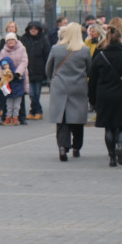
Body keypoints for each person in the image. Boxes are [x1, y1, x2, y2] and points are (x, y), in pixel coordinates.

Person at [45, 22, 92, 161]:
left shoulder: (56, 48)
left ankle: (62, 147)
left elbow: (48, 68)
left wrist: (54, 79)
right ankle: (76, 147)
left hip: (60, 86)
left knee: (62, 119)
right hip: (78, 86)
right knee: (77, 119)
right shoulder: (84, 50)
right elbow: (90, 69)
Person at [88, 20, 122, 166]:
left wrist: (92, 100)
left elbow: (92, 80)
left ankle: (112, 157)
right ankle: (120, 145)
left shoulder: (100, 56)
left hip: (104, 94)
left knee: (109, 126)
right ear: (120, 38)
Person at [21, 21, 50, 120]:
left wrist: (47, 71)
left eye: (35, 29)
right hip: (27, 70)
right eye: (31, 28)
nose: (33, 30)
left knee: (36, 93)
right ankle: (36, 110)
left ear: (38, 30)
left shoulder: (43, 40)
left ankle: (36, 111)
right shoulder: (23, 39)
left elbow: (47, 56)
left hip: (39, 70)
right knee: (31, 93)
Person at [0, 32, 29, 124]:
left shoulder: (22, 48)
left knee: (20, 97)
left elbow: (24, 61)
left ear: (15, 40)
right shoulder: (3, 51)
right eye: (8, 40)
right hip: (7, 77)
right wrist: (0, 77)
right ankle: (6, 118)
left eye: (12, 40)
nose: (10, 42)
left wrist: (17, 72)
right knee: (6, 97)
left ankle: (21, 118)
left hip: (19, 75)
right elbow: (1, 63)